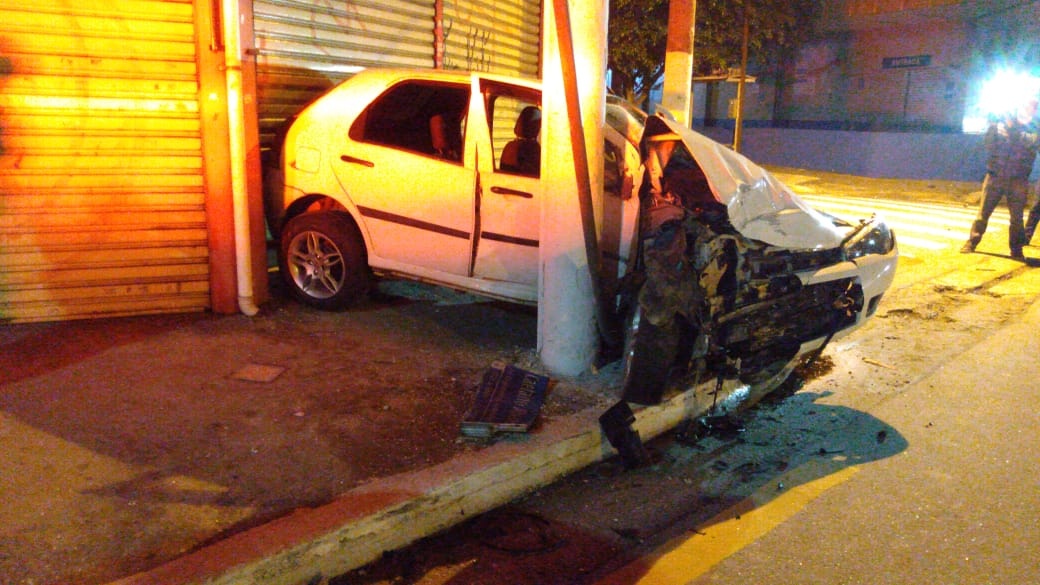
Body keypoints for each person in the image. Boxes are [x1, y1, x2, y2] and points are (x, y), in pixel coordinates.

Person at [961, 97, 1040, 259]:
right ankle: (972, 241)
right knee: (983, 214)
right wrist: (991, 126)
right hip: (995, 177)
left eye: (1031, 108)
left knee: (1016, 218)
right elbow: (988, 146)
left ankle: (1017, 249)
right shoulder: (998, 127)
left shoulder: (1033, 132)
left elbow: (1029, 144)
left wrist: (1013, 129)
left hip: (1018, 181)